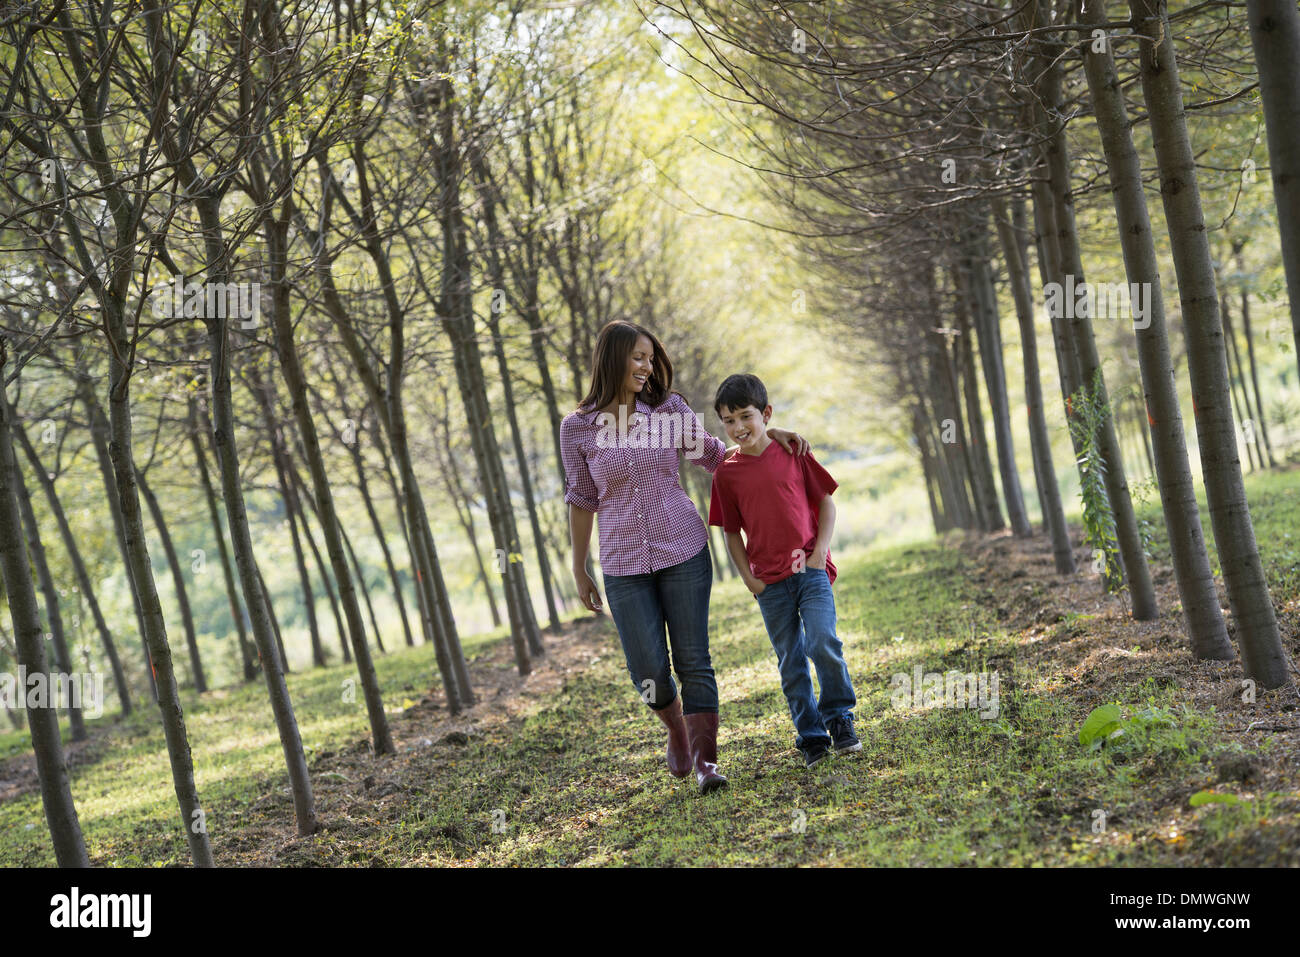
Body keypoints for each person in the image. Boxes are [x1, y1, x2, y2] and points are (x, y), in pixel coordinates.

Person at [561, 322, 808, 793]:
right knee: (648, 669)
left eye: (650, 359)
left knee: (694, 659)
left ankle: (706, 762)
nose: (646, 367)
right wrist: (579, 566)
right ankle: (676, 727)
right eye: (637, 357)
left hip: (683, 549)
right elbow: (581, 498)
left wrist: (764, 435)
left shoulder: (668, 410)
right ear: (611, 358)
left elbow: (716, 456)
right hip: (621, 563)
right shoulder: (577, 428)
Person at [708, 373, 860, 769]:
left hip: (809, 570)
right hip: (769, 584)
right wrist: (749, 579)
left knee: (823, 640)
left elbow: (825, 501)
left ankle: (840, 717)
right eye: (729, 421)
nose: (739, 427)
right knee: (791, 661)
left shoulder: (793, 450)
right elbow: (731, 533)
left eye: (746, 416)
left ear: (766, 413)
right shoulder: (726, 473)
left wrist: (820, 551)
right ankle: (811, 737)